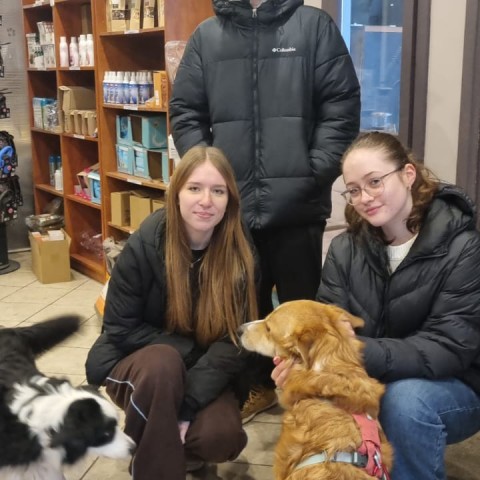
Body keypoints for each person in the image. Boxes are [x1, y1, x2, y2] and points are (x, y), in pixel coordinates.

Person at [169, 0, 361, 422]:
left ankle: (311, 396)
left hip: (298, 206)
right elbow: (185, 112)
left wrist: (311, 171)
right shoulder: (207, 36)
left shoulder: (313, 27)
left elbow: (341, 106)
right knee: (240, 308)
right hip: (232, 212)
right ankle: (255, 387)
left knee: (303, 310)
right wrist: (212, 177)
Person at [272, 131, 480, 479]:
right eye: (353, 190)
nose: (364, 198)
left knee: (404, 403)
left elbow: (448, 347)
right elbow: (324, 327)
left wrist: (354, 352)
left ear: (408, 174)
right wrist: (297, 363)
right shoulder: (345, 249)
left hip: (455, 386)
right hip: (368, 378)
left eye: (374, 182)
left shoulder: (463, 248)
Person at [85, 146, 259, 480]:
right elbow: (120, 328)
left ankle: (161, 440)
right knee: (164, 363)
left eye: (218, 191)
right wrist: (187, 352)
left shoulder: (241, 252)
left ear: (230, 200)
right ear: (176, 193)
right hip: (141, 365)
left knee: (219, 437)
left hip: (204, 370)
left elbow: (236, 339)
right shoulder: (146, 243)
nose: (206, 200)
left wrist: (186, 407)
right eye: (194, 188)